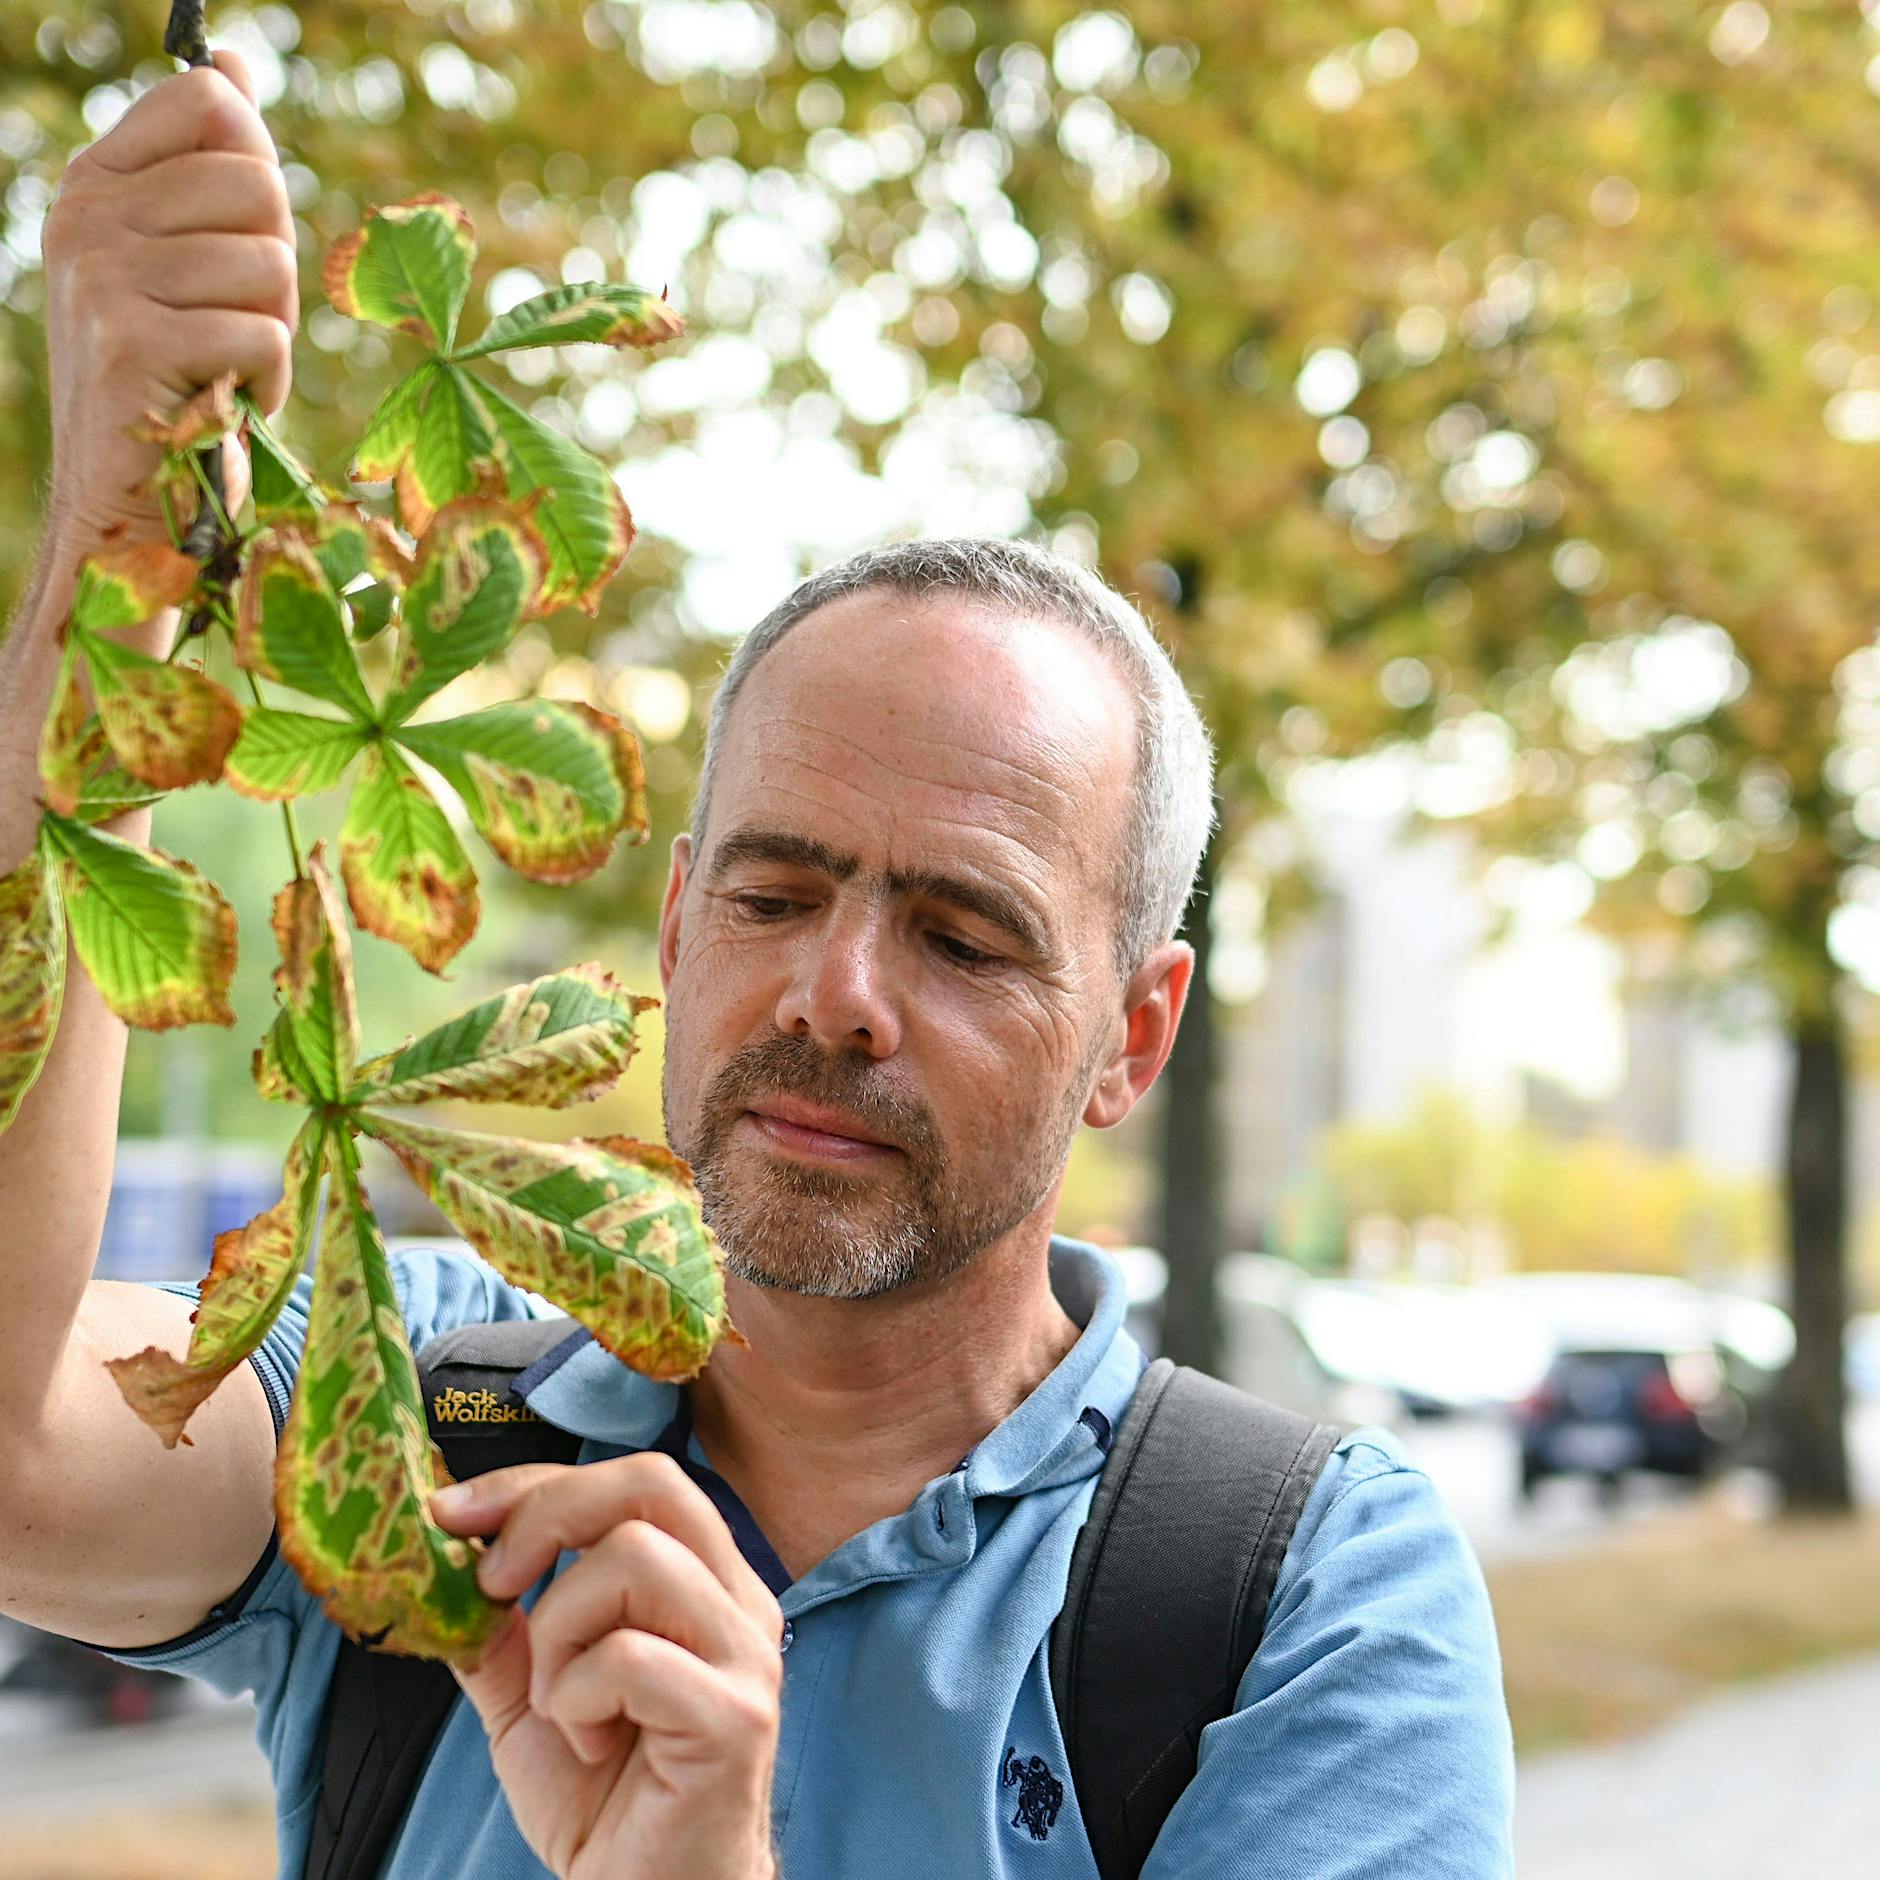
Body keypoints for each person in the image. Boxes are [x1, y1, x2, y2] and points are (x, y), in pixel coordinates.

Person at [0, 47, 1516, 1880]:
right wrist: (124, 547)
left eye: (962, 935)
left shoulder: (1300, 1592)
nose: (834, 997)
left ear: (1133, 1034)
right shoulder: (423, 1395)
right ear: (672, 922)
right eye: (775, 897)